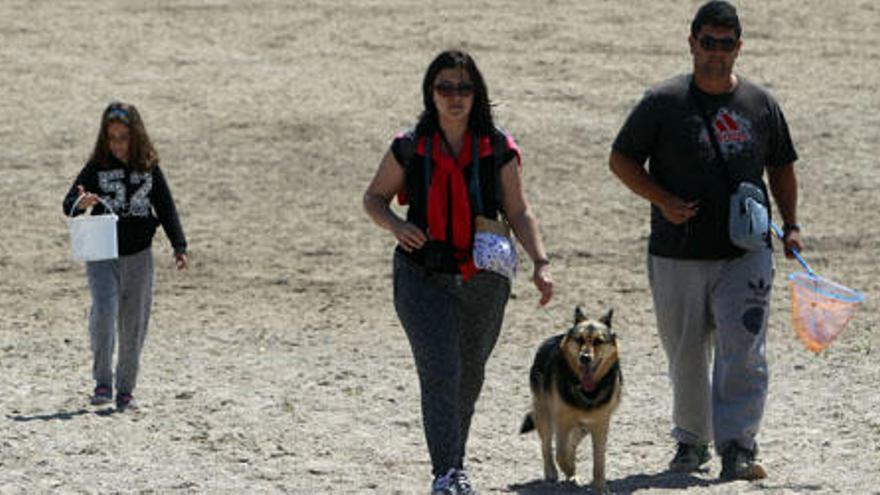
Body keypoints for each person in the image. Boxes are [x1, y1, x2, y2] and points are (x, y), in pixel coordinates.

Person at [609, 1, 801, 482]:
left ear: (739, 46)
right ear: (692, 42)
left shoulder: (760, 103)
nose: (716, 52)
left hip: (746, 252)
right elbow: (622, 160)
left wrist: (792, 225)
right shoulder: (663, 102)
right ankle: (691, 443)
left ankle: (738, 443)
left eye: (726, 43)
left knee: (744, 349)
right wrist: (662, 199)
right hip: (677, 251)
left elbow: (782, 166)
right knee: (686, 353)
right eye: (707, 42)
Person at [363, 50, 554, 494]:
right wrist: (396, 225)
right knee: (441, 370)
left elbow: (519, 211)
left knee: (469, 374)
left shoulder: (499, 149)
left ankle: (455, 462)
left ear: (477, 95)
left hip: (485, 279)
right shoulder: (410, 146)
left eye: (464, 88)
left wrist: (541, 263)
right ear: (430, 94)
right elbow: (373, 198)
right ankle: (446, 473)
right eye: (444, 88)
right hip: (420, 275)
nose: (454, 97)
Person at [63, 101, 188, 411]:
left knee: (133, 324)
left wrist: (179, 246)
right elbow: (68, 203)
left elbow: (166, 206)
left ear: (136, 136)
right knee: (104, 312)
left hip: (139, 257)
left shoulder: (148, 166)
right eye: (111, 138)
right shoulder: (96, 166)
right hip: (102, 254)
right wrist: (81, 202)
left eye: (123, 137)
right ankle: (102, 382)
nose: (117, 144)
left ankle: (125, 389)